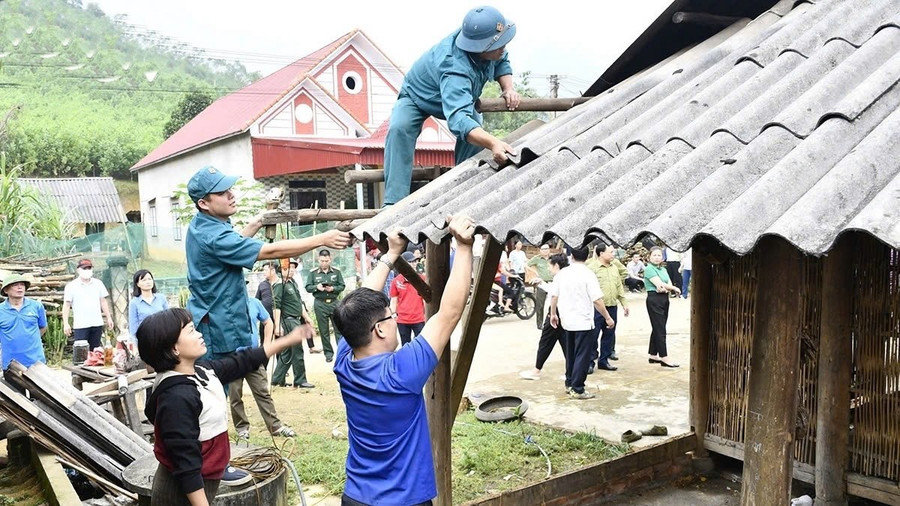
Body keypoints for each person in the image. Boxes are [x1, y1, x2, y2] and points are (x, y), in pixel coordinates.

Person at [331, 216, 474, 505]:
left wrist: (390, 255)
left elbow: (362, 305)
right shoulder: (401, 372)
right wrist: (464, 245)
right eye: (390, 317)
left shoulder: (344, 359)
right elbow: (449, 314)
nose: (394, 320)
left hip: (356, 497)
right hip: (404, 500)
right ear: (380, 329)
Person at [139, 308, 309, 505]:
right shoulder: (177, 397)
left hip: (204, 480)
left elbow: (241, 362)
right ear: (174, 349)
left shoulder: (201, 372)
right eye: (192, 330)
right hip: (181, 492)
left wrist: (287, 340)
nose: (200, 334)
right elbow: (185, 463)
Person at [184, 165, 350, 358]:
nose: (231, 195)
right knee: (220, 383)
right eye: (222, 193)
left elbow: (233, 246)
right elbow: (270, 250)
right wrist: (322, 239)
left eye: (230, 189)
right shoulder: (214, 236)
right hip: (218, 327)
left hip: (220, 321)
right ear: (204, 203)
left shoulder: (204, 224)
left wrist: (259, 220)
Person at [382, 6, 520, 205]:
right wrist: (493, 143)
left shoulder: (492, 48)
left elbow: (502, 60)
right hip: (419, 96)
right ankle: (393, 203)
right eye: (499, 45)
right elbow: (458, 120)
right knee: (399, 128)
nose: (504, 48)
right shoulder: (454, 66)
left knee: (474, 135)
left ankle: (464, 189)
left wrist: (508, 88)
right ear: (481, 48)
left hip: (463, 100)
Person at [549, 247, 614, 400]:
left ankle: (569, 383)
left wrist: (553, 314)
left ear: (571, 256)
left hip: (566, 320)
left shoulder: (562, 273)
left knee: (570, 353)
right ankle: (578, 388)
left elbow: (554, 296)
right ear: (588, 256)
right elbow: (597, 300)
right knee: (582, 355)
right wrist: (607, 317)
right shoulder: (588, 274)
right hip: (583, 321)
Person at [229, 295, 296, 440]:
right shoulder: (225, 304)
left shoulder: (254, 303)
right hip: (232, 357)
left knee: (262, 391)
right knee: (235, 395)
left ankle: (275, 426)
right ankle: (242, 428)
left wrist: (266, 345)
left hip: (252, 355)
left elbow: (268, 322)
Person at [519, 254, 568, 380]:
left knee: (545, 342)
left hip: (556, 313)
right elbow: (553, 290)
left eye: (550, 266)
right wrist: (541, 282)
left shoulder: (559, 277)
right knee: (566, 343)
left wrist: (552, 314)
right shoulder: (567, 275)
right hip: (565, 314)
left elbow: (554, 296)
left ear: (556, 266)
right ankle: (571, 371)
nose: (548, 270)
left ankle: (536, 371)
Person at [272, 259, 317, 388]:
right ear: (282, 269)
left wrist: (307, 317)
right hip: (288, 321)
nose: (291, 270)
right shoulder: (280, 284)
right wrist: (277, 325)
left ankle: (277, 379)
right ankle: (300, 380)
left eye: (293, 268)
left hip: (296, 318)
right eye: (288, 268)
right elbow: (276, 306)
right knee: (297, 351)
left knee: (288, 351)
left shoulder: (293, 283)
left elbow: (298, 302)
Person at [586, 244, 629, 373]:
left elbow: (619, 286)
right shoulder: (591, 268)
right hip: (596, 307)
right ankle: (590, 362)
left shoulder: (614, 268)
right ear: (601, 253)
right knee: (593, 336)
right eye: (610, 252)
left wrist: (624, 303)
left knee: (609, 335)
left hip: (612, 306)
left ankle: (604, 361)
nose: (613, 254)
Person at [62, 258, 114, 350]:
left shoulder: (98, 284)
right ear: (78, 270)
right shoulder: (71, 286)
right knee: (81, 353)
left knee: (95, 351)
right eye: (84, 269)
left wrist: (109, 317)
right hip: (80, 324)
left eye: (89, 268)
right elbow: (66, 305)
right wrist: (66, 323)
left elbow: (103, 301)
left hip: (96, 323)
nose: (87, 271)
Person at [0, 274, 47, 371]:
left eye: (22, 284)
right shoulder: (1, 310)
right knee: (13, 387)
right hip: (11, 364)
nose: (20, 287)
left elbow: (43, 327)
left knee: (39, 386)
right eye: (15, 285)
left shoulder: (36, 306)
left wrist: (30, 341)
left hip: (36, 362)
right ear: (6, 290)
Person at [305, 249, 345, 363]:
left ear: (330, 259)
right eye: (322, 261)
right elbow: (308, 287)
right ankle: (328, 354)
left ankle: (341, 352)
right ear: (318, 259)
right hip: (320, 303)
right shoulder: (313, 273)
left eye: (326, 261)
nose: (324, 263)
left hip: (334, 302)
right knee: (324, 331)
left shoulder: (336, 272)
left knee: (339, 329)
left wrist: (333, 288)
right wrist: (316, 287)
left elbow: (342, 285)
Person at [644, 247, 681, 367]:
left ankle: (653, 354)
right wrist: (674, 288)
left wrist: (667, 288)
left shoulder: (663, 269)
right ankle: (664, 356)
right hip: (654, 299)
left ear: (663, 257)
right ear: (649, 257)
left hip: (664, 299)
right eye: (654, 255)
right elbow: (659, 284)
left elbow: (667, 283)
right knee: (660, 329)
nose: (657, 257)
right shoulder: (649, 269)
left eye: (659, 255)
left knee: (659, 326)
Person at [389, 251, 427, 346]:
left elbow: (426, 300)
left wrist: (426, 315)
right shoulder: (396, 281)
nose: (413, 264)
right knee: (405, 345)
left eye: (414, 261)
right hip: (402, 320)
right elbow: (394, 299)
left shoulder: (423, 279)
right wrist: (393, 314)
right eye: (410, 262)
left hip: (419, 319)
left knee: (420, 345)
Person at [128, 270, 169, 345]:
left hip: (163, 337)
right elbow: (133, 328)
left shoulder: (161, 298)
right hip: (145, 340)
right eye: (144, 280)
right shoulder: (134, 303)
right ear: (137, 284)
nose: (148, 282)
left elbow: (169, 319)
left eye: (150, 279)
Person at [527, 243, 554, 329]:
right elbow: (527, 265)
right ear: (540, 250)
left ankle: (552, 323)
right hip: (541, 283)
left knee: (553, 303)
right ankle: (539, 324)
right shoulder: (537, 259)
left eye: (547, 249)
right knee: (540, 305)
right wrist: (535, 272)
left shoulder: (553, 258)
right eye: (543, 249)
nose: (545, 251)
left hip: (552, 282)